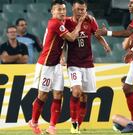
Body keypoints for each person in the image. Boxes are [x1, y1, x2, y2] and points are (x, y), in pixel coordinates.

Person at [96, 0, 133, 133]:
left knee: (127, 88)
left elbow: (127, 33)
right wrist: (132, 51)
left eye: (132, 3)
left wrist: (107, 33)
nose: (129, 5)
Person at [28, 0, 85, 134]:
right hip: (45, 65)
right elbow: (71, 38)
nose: (62, 12)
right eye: (59, 9)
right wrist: (80, 23)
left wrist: (63, 56)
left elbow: (62, 42)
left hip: (57, 65)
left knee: (58, 94)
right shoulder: (54, 23)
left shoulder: (63, 23)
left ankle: (52, 126)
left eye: (64, 9)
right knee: (42, 95)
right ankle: (34, 122)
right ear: (52, 11)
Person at [63, 0, 111, 133]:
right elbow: (62, 41)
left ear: (86, 9)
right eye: (78, 9)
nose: (81, 12)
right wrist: (62, 56)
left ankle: (78, 125)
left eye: (83, 10)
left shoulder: (90, 20)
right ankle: (73, 124)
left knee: (84, 96)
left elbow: (97, 35)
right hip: (73, 64)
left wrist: (105, 45)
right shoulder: (66, 22)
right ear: (73, 8)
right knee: (76, 92)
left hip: (88, 64)